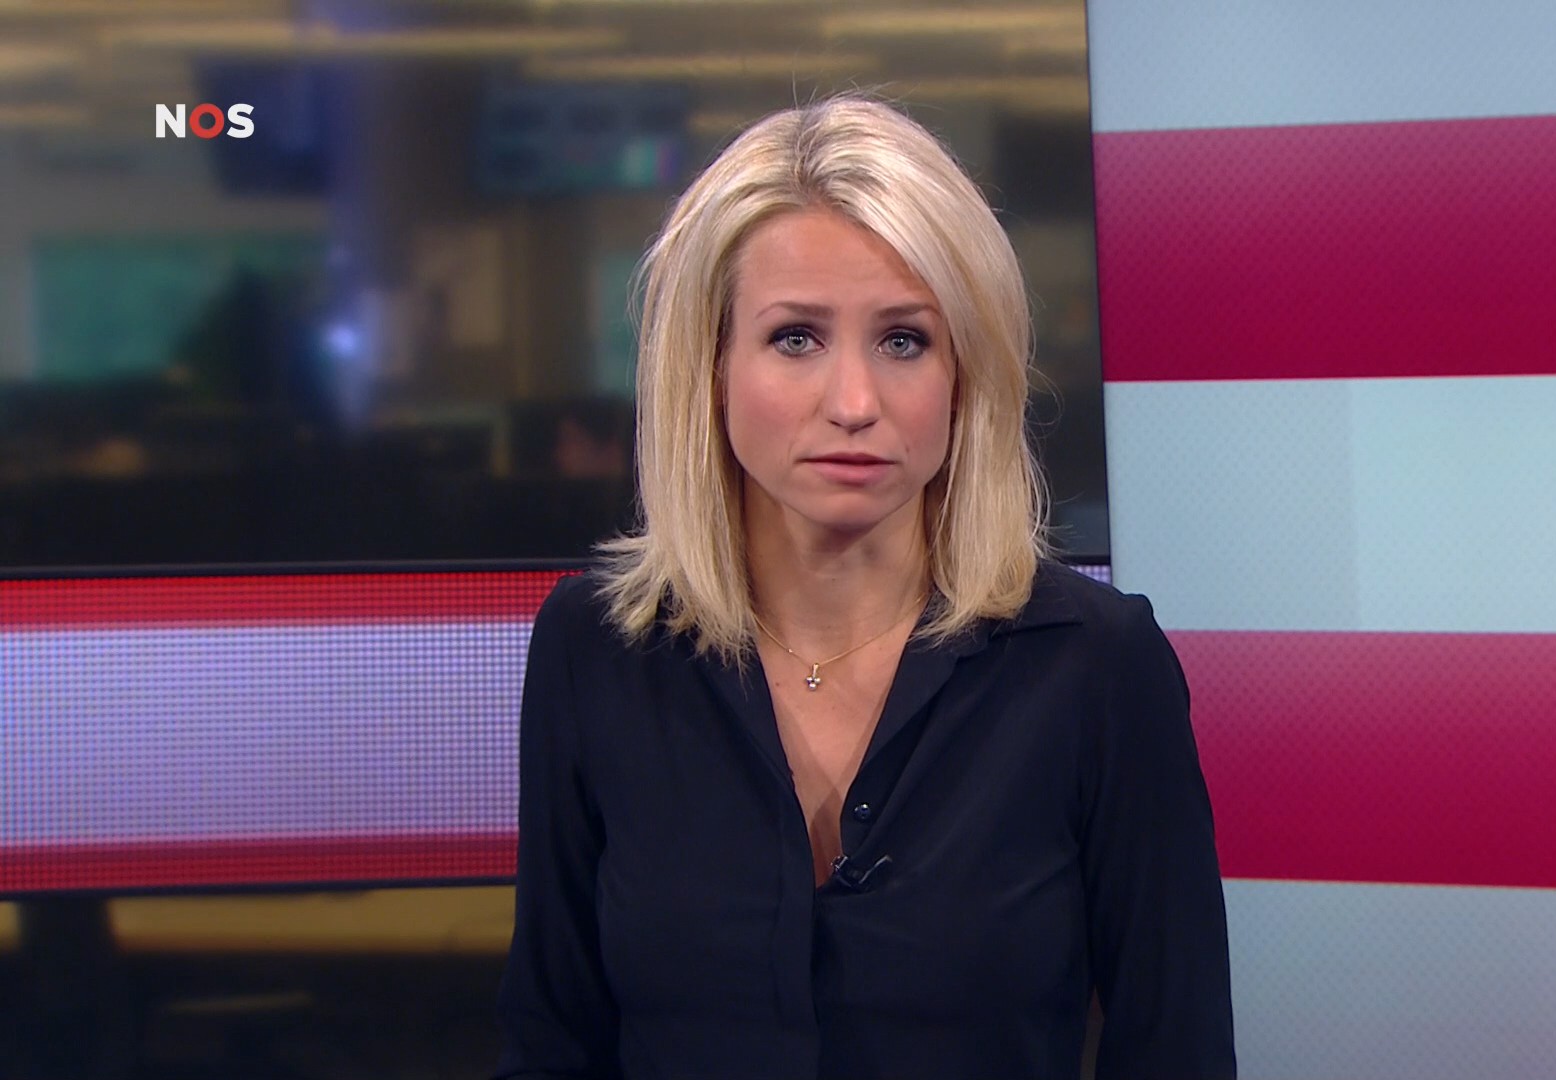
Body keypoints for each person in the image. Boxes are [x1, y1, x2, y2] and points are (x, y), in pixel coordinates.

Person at [494, 94, 1235, 1080]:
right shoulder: (596, 649)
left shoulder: (1096, 667)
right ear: (709, 367)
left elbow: (1177, 1052)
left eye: (903, 341)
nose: (853, 403)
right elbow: (552, 1044)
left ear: (966, 375)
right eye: (796, 338)